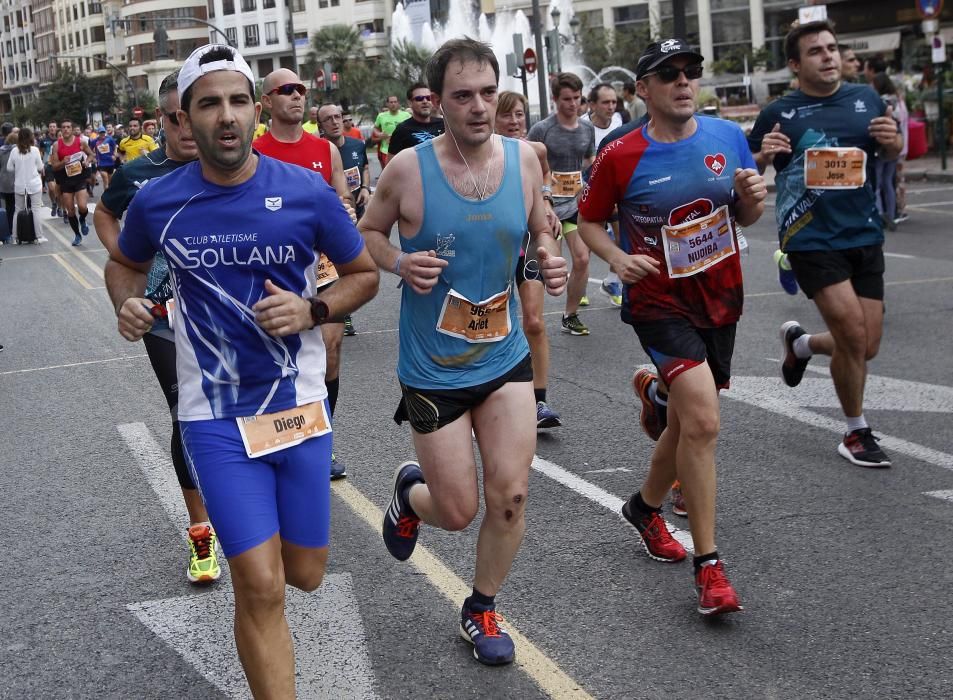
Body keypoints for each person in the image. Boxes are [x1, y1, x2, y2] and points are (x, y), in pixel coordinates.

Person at [107, 43, 379, 697]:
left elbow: (364, 275)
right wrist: (130, 304)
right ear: (184, 118)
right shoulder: (158, 202)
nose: (224, 116)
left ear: (254, 111)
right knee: (258, 585)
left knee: (305, 573)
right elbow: (124, 263)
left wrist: (313, 308)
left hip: (298, 409)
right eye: (208, 104)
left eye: (236, 101)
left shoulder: (305, 193)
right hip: (216, 418)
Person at [359, 38, 567, 665]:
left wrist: (547, 261)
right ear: (438, 103)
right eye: (462, 96)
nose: (479, 107)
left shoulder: (525, 158)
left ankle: (480, 608)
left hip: (503, 357)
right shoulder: (408, 171)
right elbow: (367, 232)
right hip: (434, 368)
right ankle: (410, 496)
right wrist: (399, 259)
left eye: (487, 92)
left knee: (511, 494)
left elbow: (541, 225)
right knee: (457, 510)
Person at [578, 38, 767, 617]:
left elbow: (747, 214)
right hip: (658, 300)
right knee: (705, 422)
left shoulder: (728, 138)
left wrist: (752, 199)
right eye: (669, 75)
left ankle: (643, 506)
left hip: (719, 294)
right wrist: (616, 258)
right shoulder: (620, 153)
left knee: (685, 421)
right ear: (645, 91)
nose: (684, 82)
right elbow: (588, 221)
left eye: (690, 73)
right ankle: (709, 567)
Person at [749, 20, 902, 468]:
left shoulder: (866, 99)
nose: (829, 56)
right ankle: (856, 431)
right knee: (853, 335)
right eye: (816, 51)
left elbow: (887, 154)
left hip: (864, 233)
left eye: (833, 48)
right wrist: (760, 156)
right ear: (795, 64)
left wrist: (893, 146)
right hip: (810, 237)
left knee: (866, 344)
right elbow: (743, 170)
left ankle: (801, 346)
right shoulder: (780, 112)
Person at [95, 69, 223, 585]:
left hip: (227, 316)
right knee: (184, 412)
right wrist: (127, 260)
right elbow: (106, 214)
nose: (187, 127)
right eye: (175, 117)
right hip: (165, 317)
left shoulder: (231, 168)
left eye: (194, 113)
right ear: (165, 119)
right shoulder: (141, 173)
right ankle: (200, 532)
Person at [254, 68, 355, 480]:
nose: (296, 96)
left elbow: (342, 196)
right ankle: (274, 434)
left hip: (322, 259)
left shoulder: (325, 150)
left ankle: (322, 439)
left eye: (300, 90)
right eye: (286, 90)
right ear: (268, 103)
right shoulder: (255, 148)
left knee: (330, 346)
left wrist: (347, 210)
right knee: (276, 355)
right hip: (274, 264)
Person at [494, 90, 563, 429]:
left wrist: (546, 202)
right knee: (493, 322)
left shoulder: (536, 150)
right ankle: (495, 391)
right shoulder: (483, 154)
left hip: (530, 243)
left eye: (520, 114)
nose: (514, 121)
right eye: (507, 115)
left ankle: (538, 402)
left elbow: (545, 176)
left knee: (534, 321)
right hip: (494, 247)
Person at [528, 72, 596, 336]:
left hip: (576, 206)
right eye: (566, 99)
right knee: (549, 265)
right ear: (555, 99)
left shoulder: (587, 128)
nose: (572, 104)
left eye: (577, 99)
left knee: (581, 259)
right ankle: (535, 319)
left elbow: (589, 161)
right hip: (548, 208)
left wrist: (590, 185)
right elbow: (531, 165)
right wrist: (542, 200)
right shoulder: (542, 129)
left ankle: (570, 315)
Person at [318, 102, 370, 336]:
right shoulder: (319, 149)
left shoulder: (357, 144)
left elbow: (365, 167)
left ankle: (342, 310)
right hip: (330, 218)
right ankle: (340, 314)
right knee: (333, 268)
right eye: (328, 118)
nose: (335, 121)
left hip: (355, 210)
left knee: (352, 267)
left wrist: (366, 188)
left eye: (338, 116)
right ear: (320, 126)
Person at [582, 83, 625, 306]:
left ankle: (611, 281)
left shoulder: (619, 121)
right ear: (592, 104)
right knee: (586, 244)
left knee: (621, 238)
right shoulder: (582, 127)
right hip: (589, 189)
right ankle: (580, 285)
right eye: (605, 102)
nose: (611, 107)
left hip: (615, 193)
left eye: (613, 102)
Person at [49, 117, 95, 246]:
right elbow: (54, 166)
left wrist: (86, 161)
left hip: (79, 178)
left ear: (72, 129)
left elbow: (91, 155)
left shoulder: (80, 142)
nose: (66, 129)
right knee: (70, 210)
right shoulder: (57, 145)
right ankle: (77, 235)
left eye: (68, 127)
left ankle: (83, 220)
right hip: (65, 180)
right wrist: (63, 162)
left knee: (82, 206)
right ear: (61, 129)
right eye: (63, 127)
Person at [870, 72, 903, 230]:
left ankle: (880, 215)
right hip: (895, 139)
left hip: (881, 143)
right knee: (889, 182)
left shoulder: (879, 101)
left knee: (877, 184)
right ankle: (891, 215)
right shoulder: (896, 99)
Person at [5, 127, 45, 244]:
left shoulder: (14, 151)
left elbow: (9, 168)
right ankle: (39, 236)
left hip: (19, 184)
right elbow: (40, 167)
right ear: (31, 137)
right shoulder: (35, 150)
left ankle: (15, 236)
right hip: (34, 184)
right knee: (36, 209)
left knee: (17, 210)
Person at [387, 82, 445, 158]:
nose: (425, 101)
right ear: (410, 103)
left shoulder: (443, 124)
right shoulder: (402, 130)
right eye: (419, 98)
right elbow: (390, 164)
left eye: (428, 98)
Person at [371, 94, 411, 168]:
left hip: (403, 150)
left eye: (395, 102)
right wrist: (379, 134)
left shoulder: (406, 115)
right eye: (391, 102)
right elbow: (375, 128)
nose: (393, 104)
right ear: (387, 104)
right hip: (386, 150)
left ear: (398, 103)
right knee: (388, 173)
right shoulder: (381, 116)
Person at [37, 122, 61, 217]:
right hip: (48, 166)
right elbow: (41, 153)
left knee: (58, 188)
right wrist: (42, 164)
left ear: (56, 128)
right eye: (50, 126)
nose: (52, 128)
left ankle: (59, 207)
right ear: (48, 128)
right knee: (51, 188)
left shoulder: (60, 138)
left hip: (59, 165)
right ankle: (54, 203)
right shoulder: (43, 140)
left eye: (54, 126)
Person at [89, 125, 118, 190]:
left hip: (110, 162)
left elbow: (115, 147)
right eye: (101, 132)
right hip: (101, 162)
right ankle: (106, 197)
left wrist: (114, 154)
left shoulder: (109, 139)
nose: (102, 134)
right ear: (98, 133)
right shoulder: (94, 141)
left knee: (110, 181)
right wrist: (93, 157)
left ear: (105, 132)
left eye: (103, 132)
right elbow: (90, 150)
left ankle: (109, 193)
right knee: (105, 178)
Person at [0, 125, 16, 237]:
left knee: (7, 206)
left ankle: (8, 229)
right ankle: (16, 228)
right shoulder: (17, 150)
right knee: (17, 206)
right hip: (16, 180)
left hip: (3, 181)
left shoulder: (1, 150)